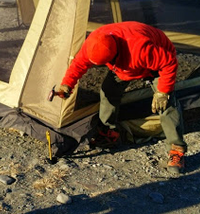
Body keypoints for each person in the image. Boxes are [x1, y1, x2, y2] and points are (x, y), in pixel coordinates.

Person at [57, 21, 187, 175]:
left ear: (115, 53)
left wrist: (162, 92)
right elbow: (79, 64)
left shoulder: (140, 49)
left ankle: (176, 150)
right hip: (125, 67)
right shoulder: (94, 42)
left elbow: (169, 62)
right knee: (107, 91)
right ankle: (109, 132)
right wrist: (67, 84)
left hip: (157, 65)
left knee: (166, 105)